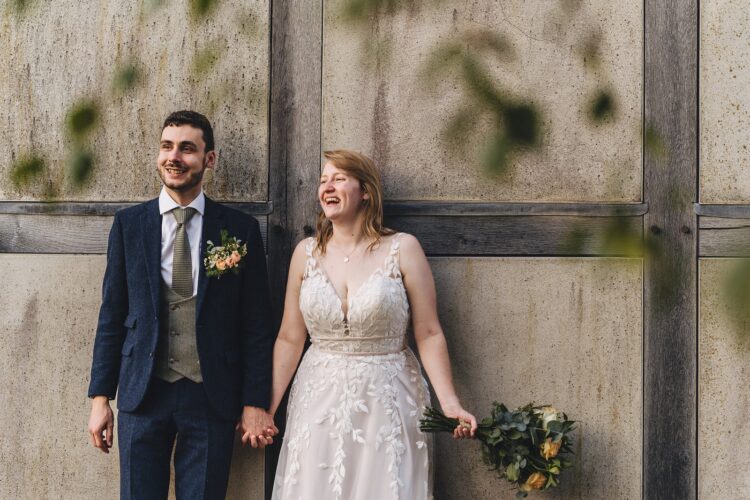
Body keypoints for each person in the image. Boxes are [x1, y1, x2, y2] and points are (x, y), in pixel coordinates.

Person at [86, 110, 277, 499]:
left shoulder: (238, 230)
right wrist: (100, 398)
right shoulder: (129, 225)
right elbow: (112, 315)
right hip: (143, 392)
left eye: (187, 148)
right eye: (167, 146)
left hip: (211, 394)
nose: (174, 156)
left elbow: (257, 324)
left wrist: (255, 400)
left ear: (209, 159)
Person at [267, 149, 477, 499]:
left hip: (389, 397)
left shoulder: (403, 248)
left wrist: (450, 403)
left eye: (338, 178)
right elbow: (290, 337)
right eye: (323, 180)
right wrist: (267, 408)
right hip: (318, 396)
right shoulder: (305, 253)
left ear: (365, 191)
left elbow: (428, 332)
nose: (327, 187)